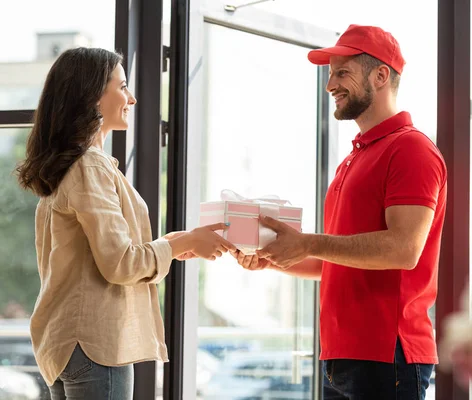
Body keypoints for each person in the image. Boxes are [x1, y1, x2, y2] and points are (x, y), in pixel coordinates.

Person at [233, 25, 447, 400]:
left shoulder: (411, 150)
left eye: (342, 72)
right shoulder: (354, 159)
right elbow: (335, 261)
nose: (330, 84)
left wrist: (308, 242)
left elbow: (403, 249)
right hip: (340, 356)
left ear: (381, 76)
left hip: (388, 356)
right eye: (331, 73)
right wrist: (273, 258)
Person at [16, 47, 235, 400]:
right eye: (122, 87)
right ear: (92, 97)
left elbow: (96, 255)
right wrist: (178, 245)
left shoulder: (70, 165)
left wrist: (181, 242)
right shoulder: (90, 166)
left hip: (67, 344)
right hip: (94, 344)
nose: (131, 98)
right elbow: (120, 263)